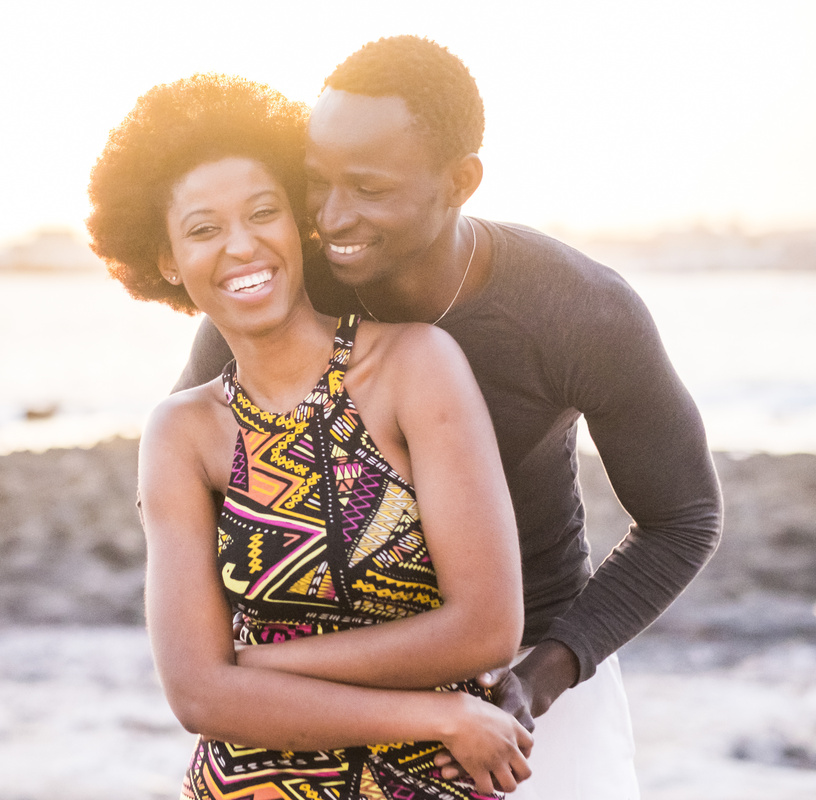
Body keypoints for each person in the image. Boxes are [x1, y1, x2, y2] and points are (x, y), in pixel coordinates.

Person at [173, 37, 724, 799]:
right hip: (326, 680)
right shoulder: (285, 294)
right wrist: (253, 662)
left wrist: (548, 671)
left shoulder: (575, 309)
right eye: (316, 181)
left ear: (460, 181)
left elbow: (683, 517)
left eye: (367, 188)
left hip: (529, 679)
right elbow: (194, 473)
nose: (331, 216)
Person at [88, 73, 533, 798]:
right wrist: (434, 714)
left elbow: (485, 630)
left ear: (299, 223)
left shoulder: (412, 366)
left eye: (263, 212)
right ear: (168, 260)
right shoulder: (183, 433)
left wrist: (261, 665)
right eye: (203, 229)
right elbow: (198, 698)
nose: (240, 245)